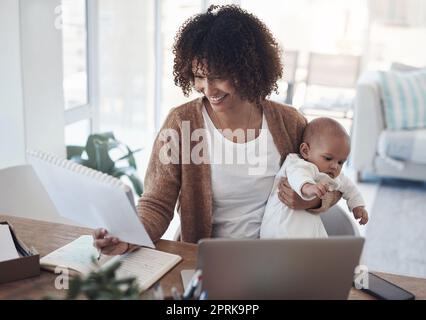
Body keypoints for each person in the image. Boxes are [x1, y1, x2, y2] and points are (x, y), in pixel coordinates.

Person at [93, 5, 341, 256]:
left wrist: (315, 200)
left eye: (218, 76)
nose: (208, 89)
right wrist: (128, 236)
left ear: (247, 70)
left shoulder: (289, 122)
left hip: (275, 260)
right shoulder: (181, 123)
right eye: (199, 77)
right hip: (204, 258)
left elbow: (333, 177)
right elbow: (156, 203)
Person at [260, 117, 369, 239]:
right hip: (281, 226)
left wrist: (358, 206)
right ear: (305, 151)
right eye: (328, 158)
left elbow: (350, 189)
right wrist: (308, 187)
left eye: (341, 162)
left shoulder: (334, 175)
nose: (334, 166)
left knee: (320, 243)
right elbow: (298, 175)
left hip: (308, 227)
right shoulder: (297, 163)